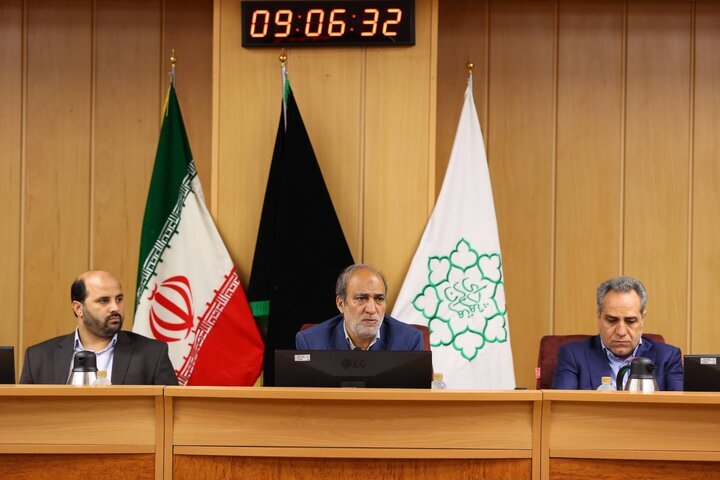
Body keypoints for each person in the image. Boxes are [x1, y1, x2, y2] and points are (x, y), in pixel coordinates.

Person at [20, 270, 178, 385]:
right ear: (78, 308)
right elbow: (24, 414)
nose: (115, 307)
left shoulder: (152, 354)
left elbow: (171, 412)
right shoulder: (39, 357)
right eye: (104, 301)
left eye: (119, 299)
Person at [552, 275, 683, 390]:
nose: (621, 332)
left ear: (642, 319)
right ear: (599, 317)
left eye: (630, 321)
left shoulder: (667, 357)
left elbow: (682, 406)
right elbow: (561, 406)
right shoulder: (573, 356)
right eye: (611, 320)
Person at [296, 264, 424, 351]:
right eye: (361, 298)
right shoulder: (311, 342)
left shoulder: (409, 341)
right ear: (341, 304)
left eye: (379, 299)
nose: (371, 309)